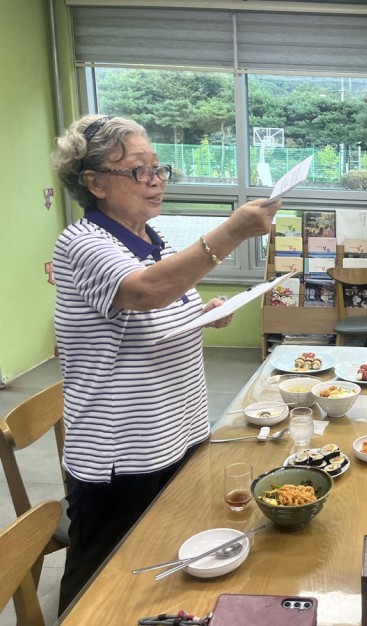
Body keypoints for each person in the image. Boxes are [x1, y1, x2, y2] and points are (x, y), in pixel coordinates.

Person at [51, 114, 279, 612]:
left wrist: (205, 313)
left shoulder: (153, 239)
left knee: (163, 559)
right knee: (100, 585)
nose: (155, 180)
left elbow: (164, 304)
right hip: (123, 452)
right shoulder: (82, 243)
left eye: (159, 168)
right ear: (94, 183)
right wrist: (233, 231)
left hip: (176, 431)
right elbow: (144, 293)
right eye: (139, 170)